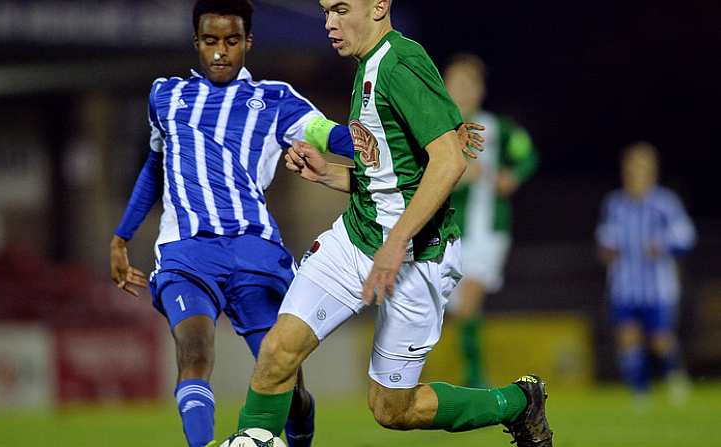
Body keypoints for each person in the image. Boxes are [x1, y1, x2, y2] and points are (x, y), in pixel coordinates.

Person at [234, 1, 553, 446]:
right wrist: (327, 172)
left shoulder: (400, 62)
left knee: (392, 409)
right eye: (326, 10)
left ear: (379, 6)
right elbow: (388, 176)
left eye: (341, 9)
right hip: (356, 239)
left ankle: (519, 403)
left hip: (417, 257)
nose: (329, 22)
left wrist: (395, 242)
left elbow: (448, 162)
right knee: (277, 351)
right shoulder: (367, 65)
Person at [109, 1, 353, 446]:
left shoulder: (275, 99)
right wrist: (121, 236)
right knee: (194, 353)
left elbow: (331, 136)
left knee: (287, 384)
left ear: (248, 43)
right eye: (210, 41)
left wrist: (395, 139)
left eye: (232, 41)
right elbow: (155, 165)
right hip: (187, 252)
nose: (221, 52)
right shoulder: (165, 95)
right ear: (196, 43)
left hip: (255, 252)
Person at [442, 53, 539, 388]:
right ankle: (469, 373)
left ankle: (474, 380)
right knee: (455, 312)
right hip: (445, 234)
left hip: (487, 232)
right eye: (456, 83)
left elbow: (528, 152)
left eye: (469, 84)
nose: (462, 91)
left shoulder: (496, 129)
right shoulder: (437, 129)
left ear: (480, 90)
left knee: (468, 302)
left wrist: (514, 174)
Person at [596, 142, 695, 406]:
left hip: (658, 286)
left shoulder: (665, 203)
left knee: (660, 339)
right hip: (623, 285)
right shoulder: (615, 203)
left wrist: (662, 245)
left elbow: (686, 236)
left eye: (641, 168)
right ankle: (640, 393)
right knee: (627, 337)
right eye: (631, 167)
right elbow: (605, 238)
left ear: (652, 171)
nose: (635, 173)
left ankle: (674, 377)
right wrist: (606, 250)